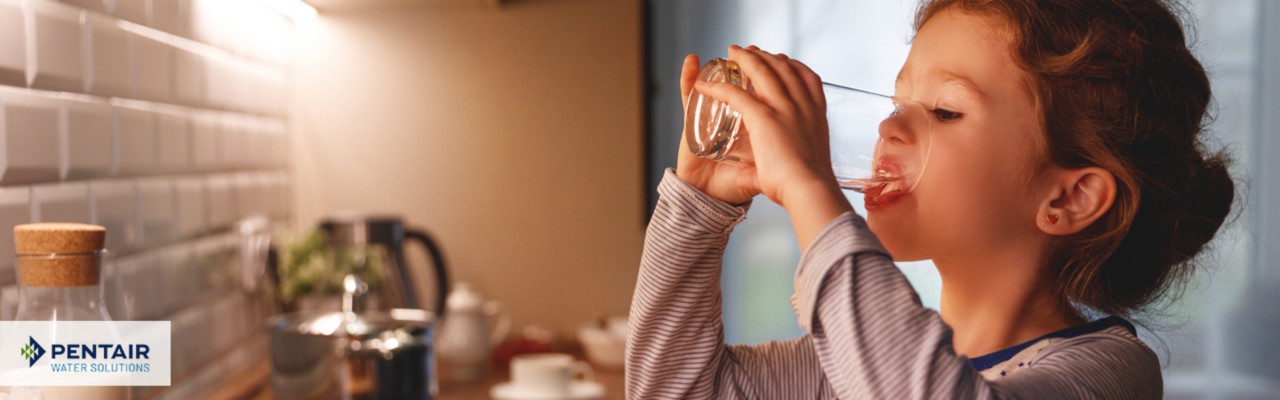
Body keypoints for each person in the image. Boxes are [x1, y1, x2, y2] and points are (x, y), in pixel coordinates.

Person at [626, 0, 1236, 398]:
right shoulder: (845, 363)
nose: (891, 128)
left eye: (945, 111)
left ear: (1069, 198)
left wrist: (811, 189)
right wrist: (699, 208)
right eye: (897, 102)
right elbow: (676, 389)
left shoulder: (1108, 374)